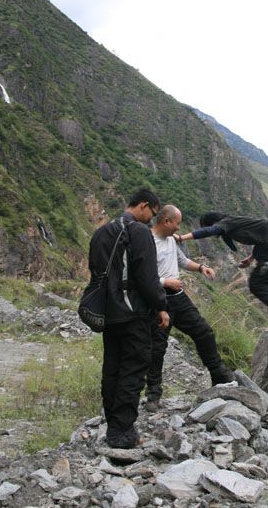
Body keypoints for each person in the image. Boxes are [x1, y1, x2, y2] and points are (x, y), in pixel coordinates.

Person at [88, 189, 169, 449]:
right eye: (152, 213)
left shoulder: (102, 231)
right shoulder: (138, 231)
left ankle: (114, 422)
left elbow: (95, 271)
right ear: (144, 205)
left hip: (108, 312)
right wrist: (161, 306)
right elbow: (147, 277)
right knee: (134, 368)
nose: (150, 219)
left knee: (112, 367)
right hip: (133, 312)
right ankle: (122, 432)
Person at [145, 205, 235, 413]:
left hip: (179, 298)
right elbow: (141, 275)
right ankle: (153, 393)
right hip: (157, 301)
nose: (178, 228)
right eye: (176, 223)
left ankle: (219, 375)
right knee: (157, 348)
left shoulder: (170, 241)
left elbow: (181, 261)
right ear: (166, 221)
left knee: (203, 332)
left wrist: (201, 268)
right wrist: (165, 281)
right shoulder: (147, 242)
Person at [176, 212, 268, 336]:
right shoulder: (233, 221)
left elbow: (208, 231)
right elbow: (260, 237)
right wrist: (250, 259)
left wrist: (181, 238)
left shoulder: (225, 223)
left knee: (257, 283)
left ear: (213, 223)